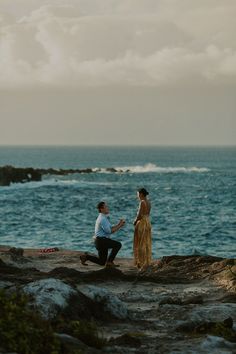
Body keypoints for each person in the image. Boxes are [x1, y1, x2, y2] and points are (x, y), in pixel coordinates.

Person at [80, 201, 125, 267]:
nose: (108, 208)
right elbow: (109, 231)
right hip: (101, 241)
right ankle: (109, 262)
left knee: (102, 262)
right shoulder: (102, 219)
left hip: (100, 241)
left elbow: (111, 230)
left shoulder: (103, 217)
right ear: (101, 209)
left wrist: (119, 224)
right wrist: (120, 225)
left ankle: (86, 257)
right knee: (118, 245)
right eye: (106, 207)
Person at [133, 188, 152, 269]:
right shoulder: (149, 202)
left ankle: (140, 262)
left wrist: (135, 221)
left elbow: (139, 215)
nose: (137, 196)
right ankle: (146, 261)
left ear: (141, 194)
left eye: (137, 194)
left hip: (142, 223)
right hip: (147, 222)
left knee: (140, 242)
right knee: (146, 242)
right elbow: (147, 213)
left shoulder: (142, 202)